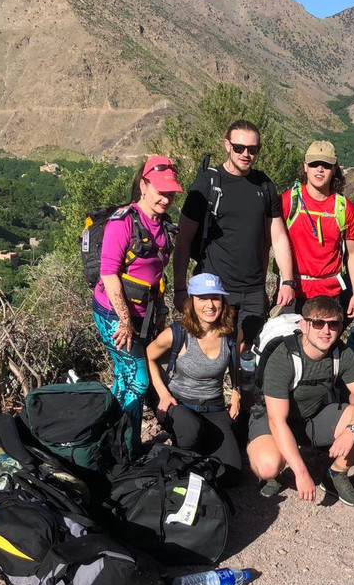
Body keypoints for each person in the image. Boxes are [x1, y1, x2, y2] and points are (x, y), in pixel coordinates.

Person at [246, 296, 354, 507]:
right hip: (273, 418)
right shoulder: (284, 356)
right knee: (268, 466)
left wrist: (351, 430)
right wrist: (301, 473)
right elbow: (277, 420)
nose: (326, 331)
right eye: (318, 323)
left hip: (311, 417)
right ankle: (276, 470)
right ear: (304, 325)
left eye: (333, 324)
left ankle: (336, 473)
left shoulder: (341, 352)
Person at [172, 120, 297, 347]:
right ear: (227, 145)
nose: (245, 154)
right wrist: (180, 287)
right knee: (212, 355)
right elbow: (183, 239)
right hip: (214, 289)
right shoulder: (207, 183)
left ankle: (241, 384)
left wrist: (287, 281)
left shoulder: (264, 185)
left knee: (249, 356)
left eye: (252, 149)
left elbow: (277, 236)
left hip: (253, 291)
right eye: (239, 148)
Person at [92, 156, 179, 446]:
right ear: (143, 185)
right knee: (138, 380)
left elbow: (157, 276)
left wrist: (158, 317)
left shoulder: (163, 226)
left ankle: (112, 440)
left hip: (144, 313)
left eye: (170, 193)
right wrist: (125, 322)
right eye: (160, 191)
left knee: (125, 378)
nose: (165, 199)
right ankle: (127, 448)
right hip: (114, 313)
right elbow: (109, 274)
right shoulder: (123, 222)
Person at [145, 273, 241, 478]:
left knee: (230, 474)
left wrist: (235, 392)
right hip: (178, 403)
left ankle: (197, 452)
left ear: (223, 301)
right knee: (190, 429)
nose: (210, 305)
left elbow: (235, 363)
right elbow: (148, 356)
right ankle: (180, 458)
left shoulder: (232, 334)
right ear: (191, 302)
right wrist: (162, 393)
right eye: (202, 298)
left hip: (213, 405)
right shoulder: (177, 334)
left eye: (215, 298)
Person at [281, 141, 354, 318]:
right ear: (305, 166)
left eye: (325, 165)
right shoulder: (289, 201)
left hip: (330, 294)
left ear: (334, 169)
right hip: (293, 292)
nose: (319, 169)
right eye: (314, 164)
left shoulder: (344, 208)